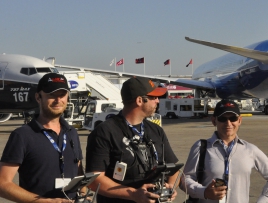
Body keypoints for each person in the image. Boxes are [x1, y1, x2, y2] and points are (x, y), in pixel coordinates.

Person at [85, 76, 179, 203]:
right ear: (139, 100)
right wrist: (134, 194)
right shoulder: (105, 132)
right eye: (153, 97)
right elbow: (94, 180)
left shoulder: (156, 130)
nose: (158, 101)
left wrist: (169, 188)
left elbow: (174, 169)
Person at [0, 73, 84, 202]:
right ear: (38, 97)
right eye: (51, 95)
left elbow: (79, 172)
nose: (58, 100)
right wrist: (43, 201)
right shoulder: (22, 135)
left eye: (62, 95)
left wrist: (84, 195)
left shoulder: (71, 132)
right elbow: (2, 184)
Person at [180, 99, 268, 203]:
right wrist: (204, 192)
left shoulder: (250, 150)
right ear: (214, 121)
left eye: (233, 118)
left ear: (239, 121)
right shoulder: (201, 147)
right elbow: (184, 179)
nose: (228, 123)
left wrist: (263, 200)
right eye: (222, 119)